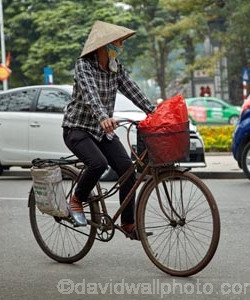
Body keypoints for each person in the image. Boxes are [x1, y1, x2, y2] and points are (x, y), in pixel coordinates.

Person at [61, 21, 155, 239]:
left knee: (128, 170)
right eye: (117, 42)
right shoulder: (84, 65)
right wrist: (103, 117)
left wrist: (153, 111)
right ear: (104, 45)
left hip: (103, 132)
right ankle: (76, 199)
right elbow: (91, 95)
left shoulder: (115, 66)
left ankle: (129, 224)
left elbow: (132, 90)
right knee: (98, 163)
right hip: (78, 129)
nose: (120, 45)